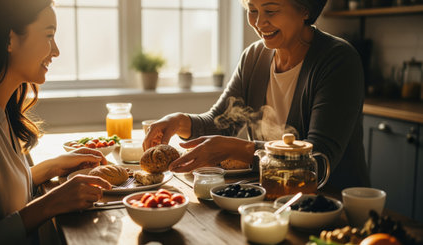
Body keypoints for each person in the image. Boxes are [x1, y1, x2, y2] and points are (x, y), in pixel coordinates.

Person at [143, 0, 370, 190]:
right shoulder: (254, 57)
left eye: (270, 11)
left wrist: (240, 149)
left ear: (304, 9)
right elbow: (221, 123)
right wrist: (179, 122)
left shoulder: (338, 60)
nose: (259, 23)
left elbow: (318, 162)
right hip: (271, 199)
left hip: (330, 207)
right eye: (252, 10)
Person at [0, 0, 112, 244]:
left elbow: (0, 196)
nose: (56, 51)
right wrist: (48, 205)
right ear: (10, 39)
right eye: (49, 35)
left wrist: (51, 167)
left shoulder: (2, 110)